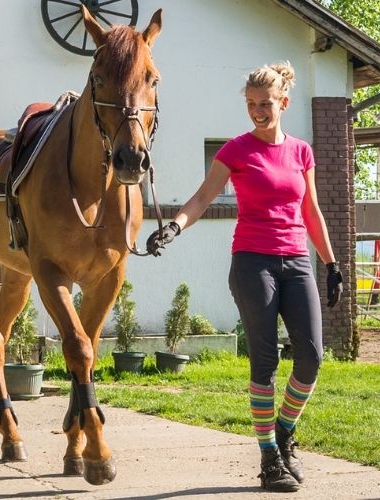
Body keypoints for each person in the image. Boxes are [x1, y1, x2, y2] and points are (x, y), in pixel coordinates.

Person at [146, 61, 344, 493]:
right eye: (251, 104)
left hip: (296, 262)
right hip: (252, 261)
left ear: (283, 103)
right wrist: (175, 226)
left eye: (266, 104)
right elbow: (201, 197)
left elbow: (310, 211)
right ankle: (269, 458)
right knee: (266, 361)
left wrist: (331, 264)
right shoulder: (235, 150)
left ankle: (285, 433)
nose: (257, 111)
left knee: (310, 357)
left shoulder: (301, 152)